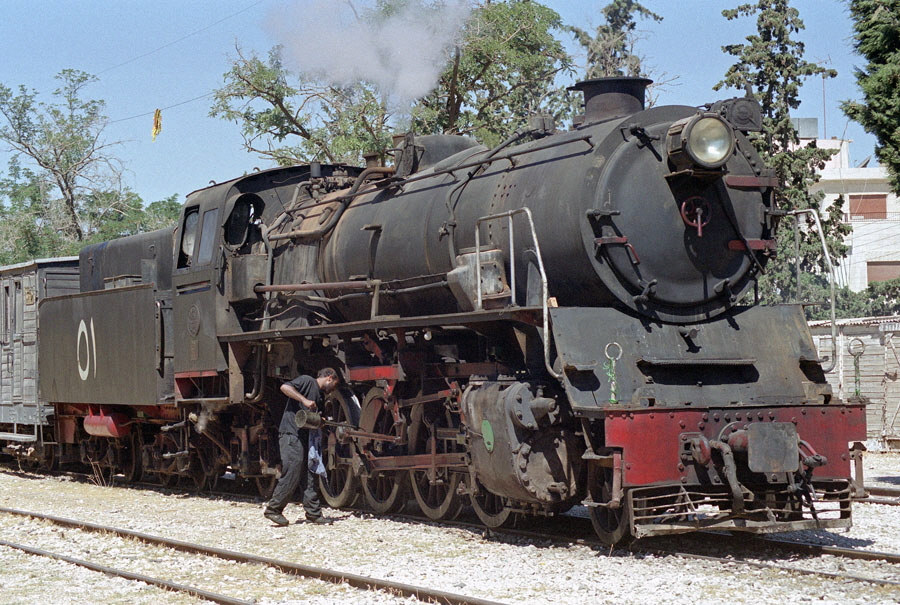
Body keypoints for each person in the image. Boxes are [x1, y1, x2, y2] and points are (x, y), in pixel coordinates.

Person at [263, 367, 339, 526]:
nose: (333, 389)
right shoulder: (307, 381)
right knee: (293, 469)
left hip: (306, 439)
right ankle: (273, 509)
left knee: (310, 474)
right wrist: (303, 400)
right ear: (329, 378)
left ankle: (313, 513)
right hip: (291, 435)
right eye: (334, 384)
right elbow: (285, 387)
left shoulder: (319, 397)